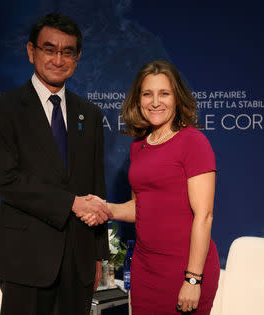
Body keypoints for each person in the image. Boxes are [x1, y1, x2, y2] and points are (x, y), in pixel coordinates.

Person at [0, 13, 111, 315]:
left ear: (77, 58)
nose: (58, 59)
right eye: (49, 49)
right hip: (25, 257)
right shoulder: (3, 109)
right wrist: (71, 203)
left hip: (78, 258)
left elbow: (96, 184)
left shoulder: (89, 113)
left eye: (67, 52)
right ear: (31, 52)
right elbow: (7, 180)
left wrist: (98, 256)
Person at [83, 60, 220, 314]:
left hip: (183, 272)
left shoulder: (194, 142)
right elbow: (140, 208)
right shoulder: (139, 146)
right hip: (145, 271)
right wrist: (106, 208)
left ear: (177, 98)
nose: (155, 102)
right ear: (138, 100)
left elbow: (205, 215)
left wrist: (193, 279)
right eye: (148, 94)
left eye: (164, 93)